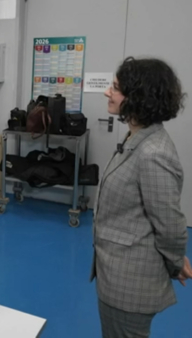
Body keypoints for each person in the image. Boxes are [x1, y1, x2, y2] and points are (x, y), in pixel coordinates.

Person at [91, 57, 192, 338]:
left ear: (138, 97)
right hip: (115, 273)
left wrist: (175, 262)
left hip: (130, 283)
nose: (107, 92)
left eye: (115, 88)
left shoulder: (153, 152)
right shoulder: (136, 138)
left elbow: (170, 225)